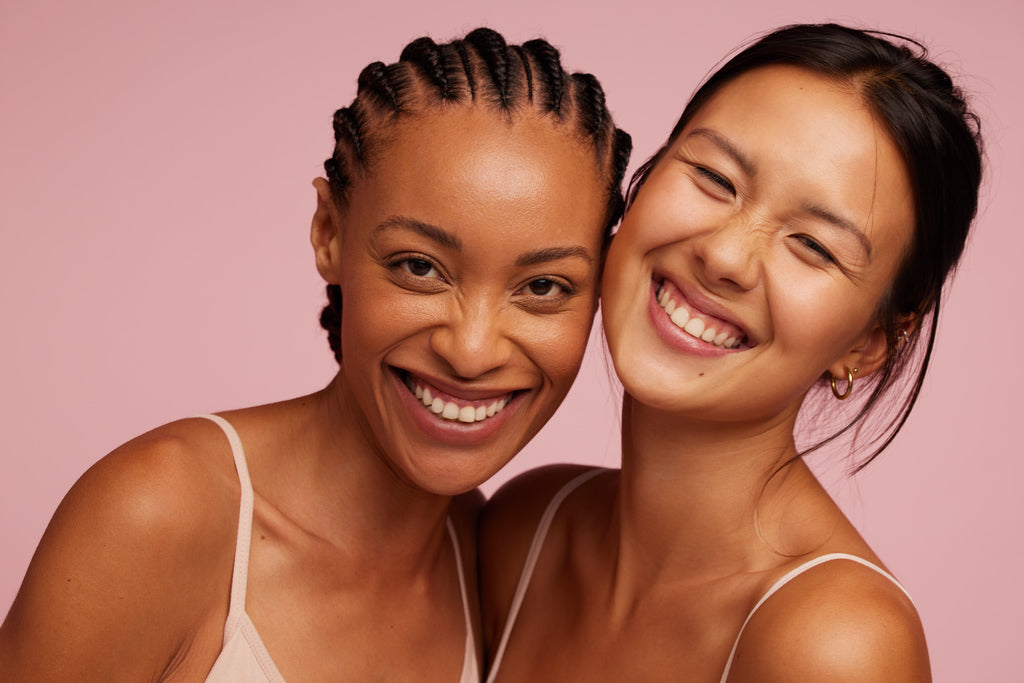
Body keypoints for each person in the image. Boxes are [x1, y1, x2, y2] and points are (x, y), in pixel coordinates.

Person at [0, 28, 630, 681]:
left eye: (543, 286)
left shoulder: (484, 564)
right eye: (419, 266)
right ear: (329, 231)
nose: (471, 351)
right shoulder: (158, 514)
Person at [481, 23, 982, 681]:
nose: (723, 255)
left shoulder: (839, 646)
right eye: (715, 178)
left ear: (868, 343)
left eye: (813, 245)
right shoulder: (526, 527)